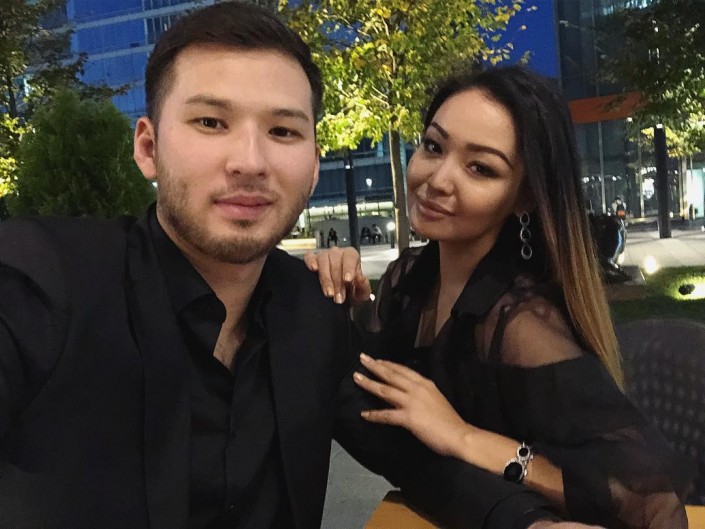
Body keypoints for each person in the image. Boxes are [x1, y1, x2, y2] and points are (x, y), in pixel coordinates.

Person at [0, 5, 575, 529]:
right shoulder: (42, 283)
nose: (250, 161)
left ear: (314, 163)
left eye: (282, 131)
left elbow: (417, 464)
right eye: (210, 122)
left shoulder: (312, 316)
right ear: (148, 148)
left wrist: (533, 524)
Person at [306, 66, 692, 528]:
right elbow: (367, 406)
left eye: (481, 168)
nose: (438, 179)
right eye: (433, 146)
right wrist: (338, 289)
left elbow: (654, 505)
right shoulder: (410, 279)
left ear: (523, 198)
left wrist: (464, 438)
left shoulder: (518, 321)